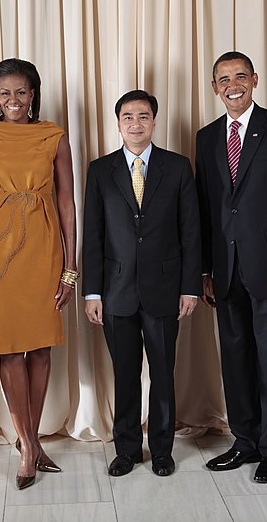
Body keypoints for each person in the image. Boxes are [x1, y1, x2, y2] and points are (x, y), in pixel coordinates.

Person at [195, 52, 267, 483]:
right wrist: (205, 269)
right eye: (224, 79)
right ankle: (244, 440)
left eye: (240, 76)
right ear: (215, 88)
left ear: (255, 80)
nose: (233, 84)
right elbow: (207, 209)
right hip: (225, 271)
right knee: (237, 358)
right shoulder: (206, 139)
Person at [0, 58, 77, 490]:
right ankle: (29, 445)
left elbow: (67, 204)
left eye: (21, 92)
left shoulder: (55, 137)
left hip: (44, 250)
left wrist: (70, 267)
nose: (13, 100)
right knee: (9, 350)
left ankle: (30, 441)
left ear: (33, 95)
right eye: (5, 92)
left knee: (42, 348)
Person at [83, 90, 201, 478]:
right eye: (128, 117)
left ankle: (163, 450)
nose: (136, 123)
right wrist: (93, 291)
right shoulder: (100, 170)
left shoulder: (178, 167)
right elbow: (94, 235)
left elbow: (190, 231)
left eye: (144, 116)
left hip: (166, 289)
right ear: (118, 124)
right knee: (126, 375)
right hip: (115, 293)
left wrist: (190, 287)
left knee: (164, 374)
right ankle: (127, 449)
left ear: (154, 121)